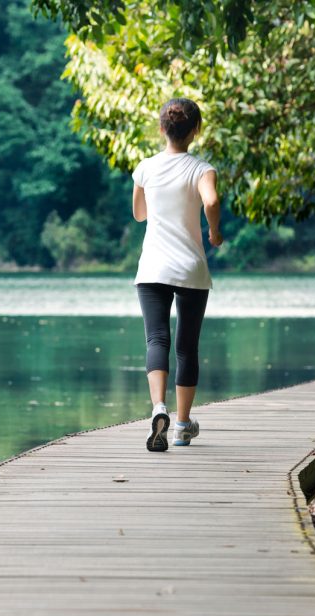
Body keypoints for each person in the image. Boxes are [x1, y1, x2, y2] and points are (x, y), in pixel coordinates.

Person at [131, 97, 223, 451]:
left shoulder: (145, 168)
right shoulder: (202, 169)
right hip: (190, 269)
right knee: (187, 347)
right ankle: (183, 427)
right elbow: (211, 201)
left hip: (152, 267)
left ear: (161, 129)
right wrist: (213, 232)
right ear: (196, 130)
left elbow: (139, 214)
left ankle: (158, 408)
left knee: (157, 340)